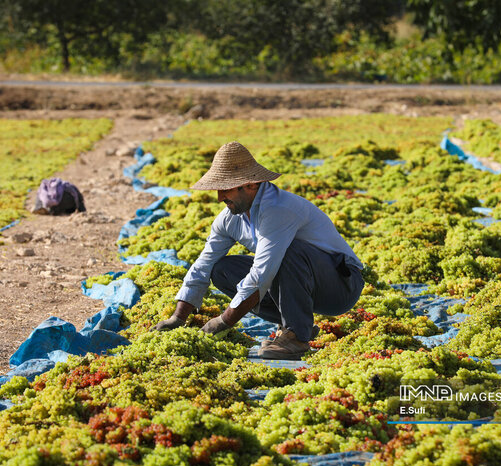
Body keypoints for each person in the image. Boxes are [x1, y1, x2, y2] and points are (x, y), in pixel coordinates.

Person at [153, 141, 365, 360]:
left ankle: (296, 336)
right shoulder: (229, 218)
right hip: (304, 283)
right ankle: (294, 323)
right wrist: (177, 318)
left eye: (226, 189)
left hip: (340, 285)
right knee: (221, 269)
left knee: (286, 251)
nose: (219, 197)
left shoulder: (278, 210)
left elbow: (262, 273)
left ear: (251, 184)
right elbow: (203, 265)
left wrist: (224, 321)